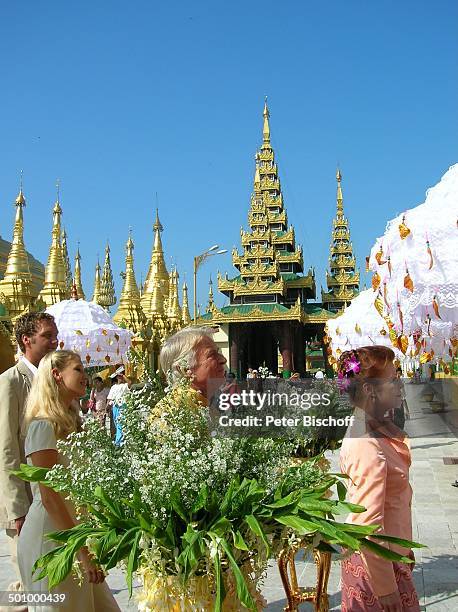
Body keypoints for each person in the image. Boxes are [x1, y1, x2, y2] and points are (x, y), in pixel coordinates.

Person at [18, 350, 119, 611]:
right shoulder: (43, 426)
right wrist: (82, 553)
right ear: (56, 375)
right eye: (78, 370)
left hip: (75, 533)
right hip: (51, 539)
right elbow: (51, 497)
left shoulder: (74, 423)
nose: (85, 377)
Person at [338, 346, 420, 612]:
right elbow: (367, 525)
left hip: (389, 556)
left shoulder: (377, 428)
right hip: (375, 568)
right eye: (393, 380)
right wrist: (386, 589)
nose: (400, 385)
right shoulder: (366, 442)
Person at [0, 312, 58, 601]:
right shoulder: (11, 382)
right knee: (29, 585)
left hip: (55, 498)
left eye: (55, 336)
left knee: (54, 583)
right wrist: (16, 510)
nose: (54, 342)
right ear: (27, 340)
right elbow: (7, 449)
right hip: (26, 500)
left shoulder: (55, 382)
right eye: (47, 336)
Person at [106, 367, 131, 445]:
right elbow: (110, 399)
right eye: (119, 377)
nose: (120, 378)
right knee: (117, 425)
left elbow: (130, 383)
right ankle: (120, 442)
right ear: (117, 377)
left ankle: (119, 443)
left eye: (121, 376)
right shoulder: (114, 387)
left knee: (121, 425)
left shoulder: (125, 386)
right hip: (115, 408)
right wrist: (107, 408)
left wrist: (123, 375)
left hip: (123, 407)